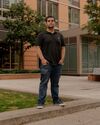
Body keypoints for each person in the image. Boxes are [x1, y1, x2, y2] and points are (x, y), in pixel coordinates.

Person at [36, 16, 65, 109]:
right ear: (46, 23)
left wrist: (62, 59)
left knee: (55, 84)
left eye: (52, 21)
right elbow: (38, 48)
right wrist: (42, 59)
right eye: (49, 21)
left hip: (57, 64)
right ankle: (40, 102)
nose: (51, 22)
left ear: (54, 23)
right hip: (46, 64)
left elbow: (63, 47)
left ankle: (56, 100)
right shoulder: (41, 35)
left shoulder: (59, 35)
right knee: (44, 83)